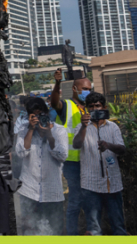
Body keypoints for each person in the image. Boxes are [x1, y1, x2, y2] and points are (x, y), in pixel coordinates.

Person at [72, 92, 127, 235]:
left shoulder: (113, 126)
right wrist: (84, 127)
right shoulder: (81, 127)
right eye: (91, 107)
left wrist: (108, 145)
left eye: (97, 106)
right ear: (87, 109)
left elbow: (122, 149)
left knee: (118, 226)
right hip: (91, 184)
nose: (95, 109)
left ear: (104, 107)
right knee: (93, 228)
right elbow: (77, 145)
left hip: (112, 183)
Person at [15, 97, 67, 235]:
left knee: (55, 231)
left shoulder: (59, 130)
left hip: (52, 192)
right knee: (29, 231)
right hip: (29, 190)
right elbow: (21, 152)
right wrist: (31, 130)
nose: (38, 118)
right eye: (34, 115)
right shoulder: (23, 129)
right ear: (29, 116)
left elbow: (62, 155)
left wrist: (49, 135)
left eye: (40, 114)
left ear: (46, 112)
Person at [50, 68, 89, 235]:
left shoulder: (87, 109)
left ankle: (88, 230)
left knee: (87, 198)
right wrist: (58, 83)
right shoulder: (67, 105)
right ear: (74, 89)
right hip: (72, 162)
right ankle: (72, 233)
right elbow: (54, 103)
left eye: (89, 89)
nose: (87, 92)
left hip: (87, 161)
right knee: (75, 199)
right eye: (85, 89)